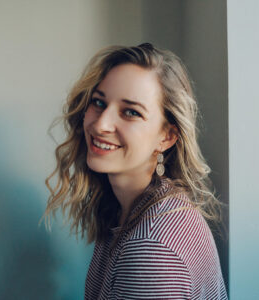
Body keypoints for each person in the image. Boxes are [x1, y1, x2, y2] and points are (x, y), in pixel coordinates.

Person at [43, 43, 228, 299]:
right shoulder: (138, 207)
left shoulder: (151, 248)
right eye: (99, 102)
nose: (101, 123)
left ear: (167, 136)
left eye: (131, 112)